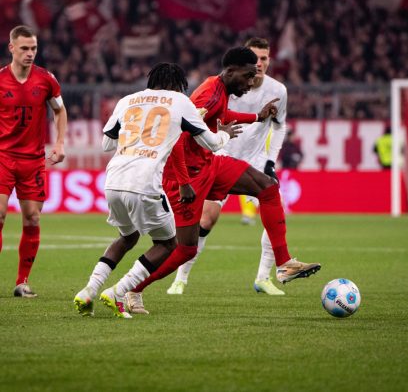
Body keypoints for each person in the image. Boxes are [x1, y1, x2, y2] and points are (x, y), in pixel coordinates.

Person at [124, 46, 321, 315]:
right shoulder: (208, 94)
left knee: (267, 187)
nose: (251, 83)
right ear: (230, 71)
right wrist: (184, 182)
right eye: (248, 76)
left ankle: (284, 264)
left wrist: (256, 117)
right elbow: (179, 136)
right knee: (185, 249)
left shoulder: (220, 89)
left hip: (210, 163)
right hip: (187, 176)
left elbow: (220, 117)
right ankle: (132, 289)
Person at [73, 63, 241, 318]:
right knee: (168, 243)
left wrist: (137, 135)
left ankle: (88, 291)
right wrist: (225, 134)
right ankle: (118, 291)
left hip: (114, 179)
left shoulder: (127, 100)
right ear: (177, 85)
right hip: (144, 181)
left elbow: (107, 143)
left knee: (127, 237)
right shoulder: (180, 101)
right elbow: (212, 144)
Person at [166, 37, 290, 297]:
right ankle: (180, 278)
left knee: (274, 201)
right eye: (255, 59)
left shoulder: (278, 90)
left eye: (264, 59)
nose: (259, 64)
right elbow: (194, 124)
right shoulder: (224, 87)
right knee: (206, 220)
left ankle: (265, 276)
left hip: (256, 158)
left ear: (269, 60)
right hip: (220, 151)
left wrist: (270, 160)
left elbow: (279, 128)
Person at [0, 25, 67, 298]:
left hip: (33, 161)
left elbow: (60, 111)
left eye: (34, 48)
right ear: (12, 48)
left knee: (32, 218)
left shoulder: (46, 79)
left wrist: (60, 143)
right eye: (25, 48)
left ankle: (22, 282)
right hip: (3, 157)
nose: (30, 53)